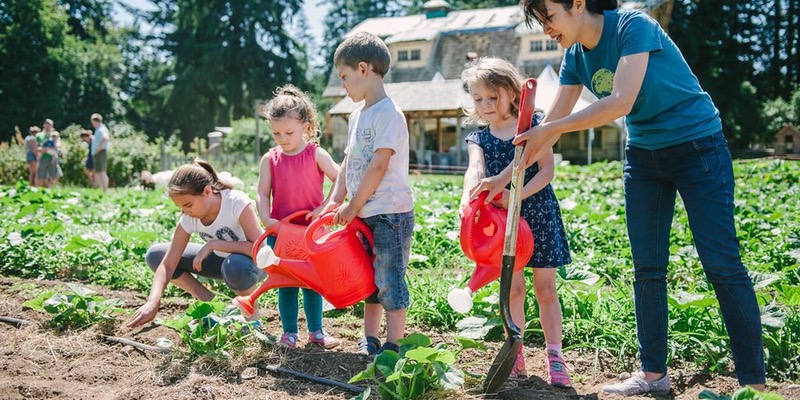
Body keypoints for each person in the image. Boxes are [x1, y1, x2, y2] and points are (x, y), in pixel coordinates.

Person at [473, 0, 766, 396]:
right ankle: (652, 375)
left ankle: (753, 382)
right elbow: (549, 132)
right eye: (541, 22)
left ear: (577, 4)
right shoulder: (575, 58)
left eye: (550, 18)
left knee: (722, 263)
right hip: (645, 157)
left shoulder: (632, 26)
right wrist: (503, 178)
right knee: (647, 266)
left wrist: (550, 129)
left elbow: (620, 102)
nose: (546, 30)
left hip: (698, 146)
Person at [460, 57, 573, 386]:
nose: (485, 105)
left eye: (492, 97)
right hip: (502, 228)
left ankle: (555, 357)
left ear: (511, 92)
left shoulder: (533, 125)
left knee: (546, 289)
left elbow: (547, 172)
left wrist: (516, 196)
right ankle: (516, 351)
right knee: (515, 290)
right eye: (478, 99)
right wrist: (467, 198)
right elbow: (475, 170)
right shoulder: (478, 138)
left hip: (538, 215)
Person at [318, 31, 415, 356]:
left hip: (389, 213)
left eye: (344, 77)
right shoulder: (358, 115)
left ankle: (394, 344)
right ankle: (370, 339)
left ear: (364, 68)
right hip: (364, 213)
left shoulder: (389, 113)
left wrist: (353, 203)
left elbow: (377, 165)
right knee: (368, 280)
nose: (343, 85)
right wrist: (335, 199)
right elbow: (349, 160)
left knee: (389, 279)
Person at [127, 159, 266, 329]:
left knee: (234, 265)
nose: (186, 212)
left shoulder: (236, 203)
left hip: (252, 264)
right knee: (156, 256)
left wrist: (214, 244)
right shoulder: (189, 217)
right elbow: (168, 265)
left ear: (207, 191)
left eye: (188, 205)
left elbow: (259, 249)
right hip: (220, 262)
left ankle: (251, 317)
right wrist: (152, 302)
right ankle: (213, 305)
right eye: (181, 208)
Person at [256, 84, 342, 349]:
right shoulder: (270, 159)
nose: (282, 138)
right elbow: (261, 193)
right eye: (276, 133)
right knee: (286, 284)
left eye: (288, 132)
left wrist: (327, 207)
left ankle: (317, 332)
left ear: (305, 125)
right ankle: (289, 333)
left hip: (311, 233)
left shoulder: (316, 154)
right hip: (281, 234)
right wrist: (267, 221)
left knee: (312, 283)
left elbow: (340, 180)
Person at [90, 113, 110, 191]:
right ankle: (101, 189)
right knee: (98, 171)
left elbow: (105, 138)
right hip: (97, 153)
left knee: (102, 171)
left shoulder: (102, 129)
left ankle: (105, 189)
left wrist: (99, 148)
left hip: (100, 152)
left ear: (95, 121)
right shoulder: (98, 129)